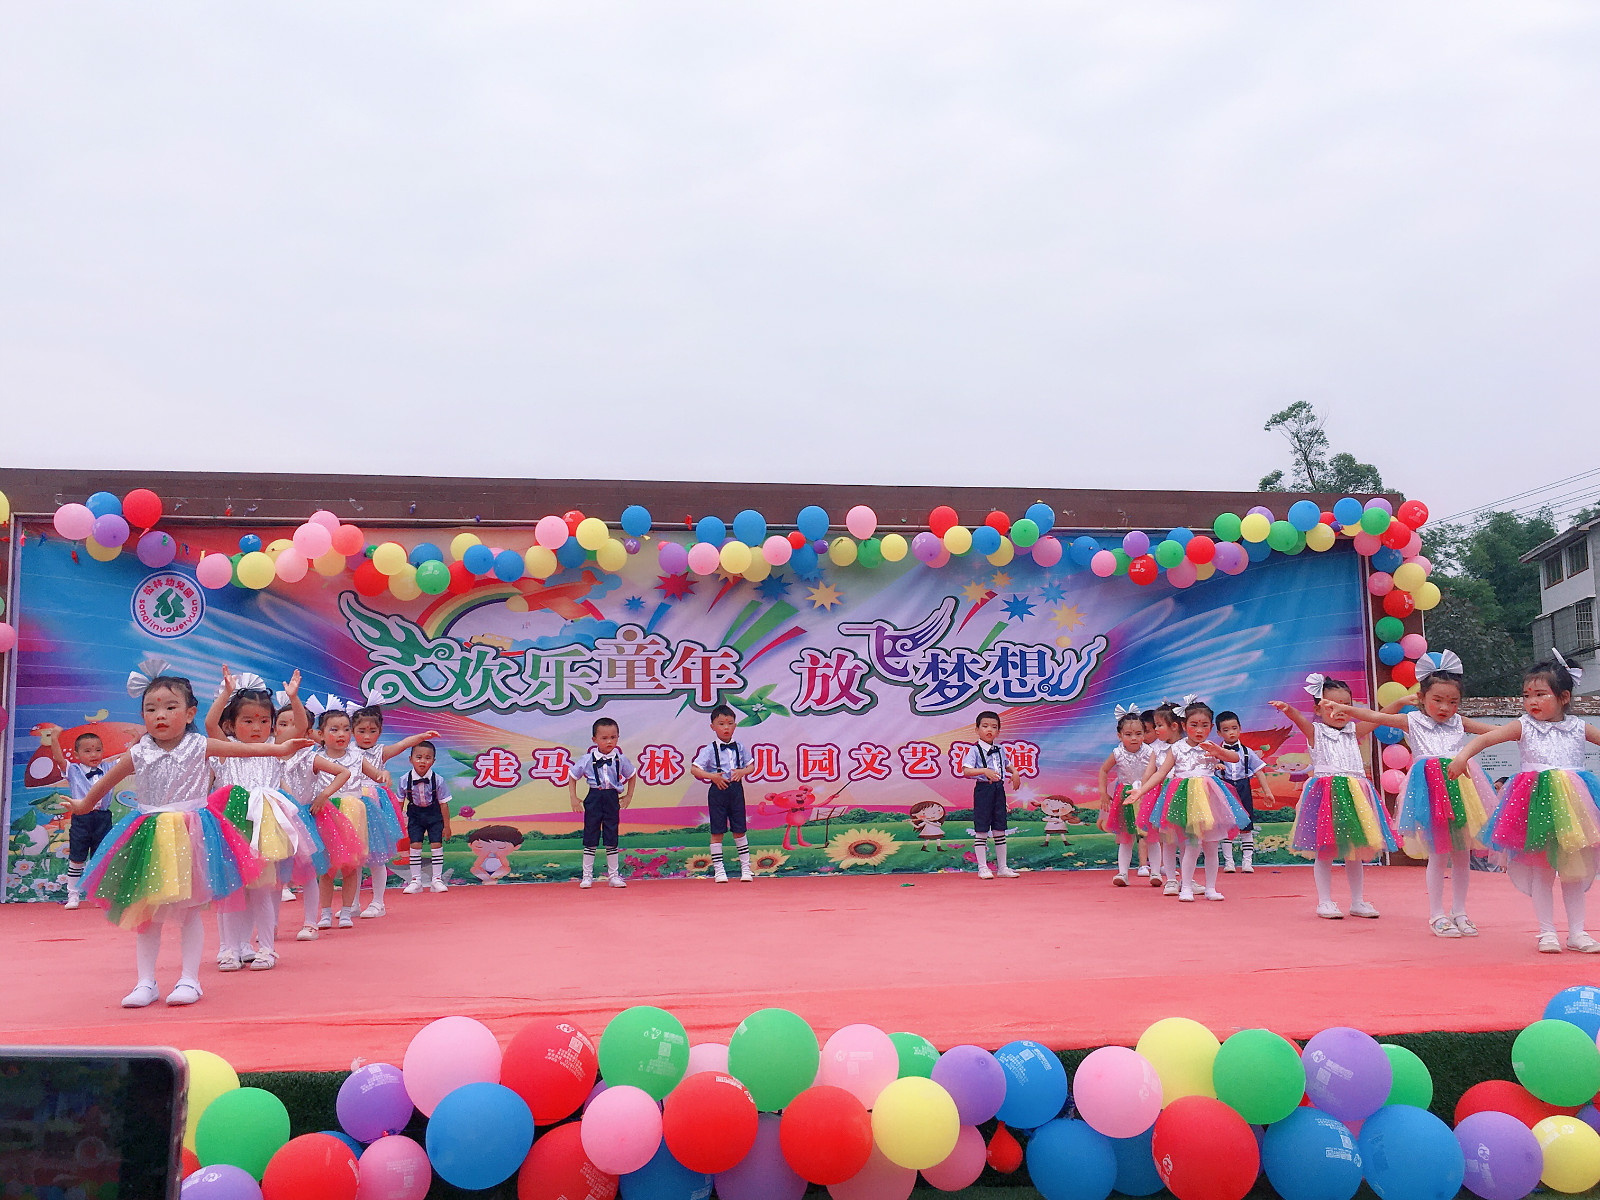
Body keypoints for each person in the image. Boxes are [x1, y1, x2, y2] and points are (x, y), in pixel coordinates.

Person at [67, 675, 309, 1007]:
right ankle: (145, 982)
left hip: (191, 834)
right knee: (147, 913)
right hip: (150, 835)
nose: (160, 715)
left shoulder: (200, 746)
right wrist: (83, 804)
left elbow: (246, 749)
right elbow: (106, 782)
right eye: (151, 709)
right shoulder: (139, 753)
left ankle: (190, 980)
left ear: (190, 713)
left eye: (170, 707)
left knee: (190, 912)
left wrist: (280, 748)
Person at [1330, 650, 1497, 938]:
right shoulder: (1414, 721)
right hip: (1430, 790)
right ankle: (1437, 914)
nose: (1445, 707)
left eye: (1453, 702)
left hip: (1461, 788)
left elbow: (1495, 731)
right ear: (1421, 698)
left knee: (1461, 854)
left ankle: (1460, 911)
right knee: (1438, 854)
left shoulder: (1460, 722)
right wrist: (1347, 710)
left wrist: (1528, 729)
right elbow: (1375, 715)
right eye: (1437, 700)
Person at [1450, 652, 1600, 953]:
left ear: (1563, 697)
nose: (1531, 701)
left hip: (1575, 808)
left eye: (1540, 694)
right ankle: (1547, 932)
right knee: (1542, 871)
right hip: (1535, 806)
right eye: (1526, 695)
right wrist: (1462, 756)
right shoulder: (1524, 726)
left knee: (1572, 872)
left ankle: (1577, 932)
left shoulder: (1578, 727)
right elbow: (1484, 740)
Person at [202, 669, 323, 972]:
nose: (257, 727)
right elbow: (209, 724)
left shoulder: (276, 749)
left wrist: (294, 698)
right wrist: (225, 693)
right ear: (231, 724)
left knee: (262, 890)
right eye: (247, 721)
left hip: (264, 827)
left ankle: (266, 948)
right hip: (232, 824)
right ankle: (232, 948)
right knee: (232, 890)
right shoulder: (226, 749)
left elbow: (301, 727)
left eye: (264, 721)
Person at [1272, 674, 1398, 920]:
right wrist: (1288, 709)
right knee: (1325, 850)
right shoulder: (1316, 731)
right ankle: (1325, 901)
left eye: (1345, 705)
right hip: (1327, 796)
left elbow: (1381, 717)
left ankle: (1358, 901)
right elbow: (1299, 719)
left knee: (1355, 852)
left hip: (1355, 795)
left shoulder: (1354, 731)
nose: (1339, 711)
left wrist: (1401, 701)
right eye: (1331, 705)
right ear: (1318, 709)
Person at [1128, 699, 1244, 902]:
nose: (1199, 730)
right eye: (1194, 725)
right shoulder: (1177, 748)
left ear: (1211, 727)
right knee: (1191, 845)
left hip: (1209, 798)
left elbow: (1234, 758)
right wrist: (1141, 791)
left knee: (1211, 846)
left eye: (1205, 725)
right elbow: (1160, 773)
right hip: (1184, 798)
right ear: (1184, 725)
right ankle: (1186, 887)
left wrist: (1219, 752)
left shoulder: (1212, 746)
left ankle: (1210, 888)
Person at [271, 702, 355, 943]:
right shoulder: (269, 756)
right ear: (275, 729)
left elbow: (343, 772)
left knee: (309, 873)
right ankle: (271, 926)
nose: (289, 729)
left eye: (295, 724)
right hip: (276, 822)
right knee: (275, 877)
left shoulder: (309, 758)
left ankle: (310, 923)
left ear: (308, 732)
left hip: (305, 821)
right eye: (283, 724)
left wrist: (323, 795)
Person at [349, 704, 439, 916]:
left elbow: (402, 744)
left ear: (380, 731)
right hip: (351, 805)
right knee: (354, 860)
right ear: (352, 731)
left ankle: (378, 903)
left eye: (373, 731)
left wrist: (420, 737)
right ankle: (351, 903)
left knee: (375, 857)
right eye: (361, 731)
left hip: (373, 805)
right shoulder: (347, 751)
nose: (367, 736)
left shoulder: (381, 752)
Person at [314, 707, 395, 928]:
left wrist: (384, 774)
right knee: (327, 868)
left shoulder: (357, 757)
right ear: (321, 734)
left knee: (351, 866)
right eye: (334, 729)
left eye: (346, 729)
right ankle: (325, 913)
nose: (341, 734)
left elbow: (376, 774)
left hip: (353, 814)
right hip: (326, 814)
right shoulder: (316, 758)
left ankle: (348, 910)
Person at [568, 718, 635, 889]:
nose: (609, 741)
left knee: (611, 835)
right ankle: (587, 876)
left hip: (612, 798)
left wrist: (628, 796)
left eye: (613, 737)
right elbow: (573, 776)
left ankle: (613, 876)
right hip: (594, 797)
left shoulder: (620, 759)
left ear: (618, 737)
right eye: (604, 738)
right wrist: (574, 798)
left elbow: (632, 775)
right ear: (594, 740)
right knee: (590, 835)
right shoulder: (587, 759)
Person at [689, 705, 754, 883]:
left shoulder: (739, 747)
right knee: (717, 831)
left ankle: (746, 869)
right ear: (713, 727)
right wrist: (713, 777)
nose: (726, 727)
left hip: (736, 791)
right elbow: (694, 769)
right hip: (718, 792)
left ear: (735, 726)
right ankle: (719, 870)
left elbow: (751, 765)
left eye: (730, 723)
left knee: (740, 830)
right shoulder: (709, 749)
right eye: (721, 724)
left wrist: (742, 772)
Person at [51, 731, 110, 909]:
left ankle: (98, 894)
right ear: (77, 755)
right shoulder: (73, 770)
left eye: (98, 750)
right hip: (82, 819)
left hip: (103, 818)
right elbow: (59, 759)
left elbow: (128, 759)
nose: (94, 754)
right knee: (77, 858)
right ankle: (73, 894)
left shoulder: (109, 768)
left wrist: (135, 739)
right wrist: (54, 738)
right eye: (88, 751)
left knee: (100, 857)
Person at [1096, 705, 1154, 886]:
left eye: (1138, 733)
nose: (1134, 738)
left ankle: (1156, 873)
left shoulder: (1150, 752)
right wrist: (1103, 793)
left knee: (1151, 835)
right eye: (1128, 734)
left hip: (1146, 794)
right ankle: (1122, 873)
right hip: (1125, 797)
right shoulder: (1117, 753)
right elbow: (1104, 770)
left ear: (1144, 734)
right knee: (1126, 836)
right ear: (1119, 736)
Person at [960, 710, 1022, 879]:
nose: (989, 730)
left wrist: (1015, 772)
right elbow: (966, 771)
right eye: (985, 726)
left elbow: (1007, 765)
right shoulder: (974, 750)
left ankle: (1002, 867)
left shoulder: (1000, 749)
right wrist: (984, 771)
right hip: (983, 790)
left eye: (994, 727)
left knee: (999, 829)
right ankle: (982, 867)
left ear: (998, 731)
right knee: (981, 829)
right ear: (977, 729)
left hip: (998, 790)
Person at [1137, 701, 1185, 894]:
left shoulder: (1187, 745)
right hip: (1163, 795)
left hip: (1185, 794)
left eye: (1159, 725)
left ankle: (1188, 879)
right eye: (1155, 725)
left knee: (1186, 840)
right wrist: (1141, 791)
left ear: (1174, 726)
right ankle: (1171, 879)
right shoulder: (1156, 749)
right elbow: (1150, 773)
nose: (1156, 729)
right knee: (1168, 838)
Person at [1214, 710, 1271, 874]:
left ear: (1240, 729)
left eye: (1234, 728)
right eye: (1226, 730)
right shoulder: (1216, 752)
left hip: (1243, 788)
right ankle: (1229, 862)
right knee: (1226, 826)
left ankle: (1247, 862)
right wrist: (1215, 766)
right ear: (1219, 733)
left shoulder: (1247, 752)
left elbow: (1259, 771)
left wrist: (1267, 792)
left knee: (1246, 826)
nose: (1231, 732)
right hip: (1224, 789)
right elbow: (1207, 770)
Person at [400, 740, 454, 894]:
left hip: (434, 815)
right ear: (410, 759)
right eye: (418, 757)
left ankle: (436, 880)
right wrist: (398, 823)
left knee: (436, 845)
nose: (422, 761)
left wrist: (447, 826)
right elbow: (400, 802)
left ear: (433, 761)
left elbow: (444, 804)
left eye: (427, 758)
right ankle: (415, 881)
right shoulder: (404, 779)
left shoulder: (439, 780)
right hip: (415, 815)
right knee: (415, 845)